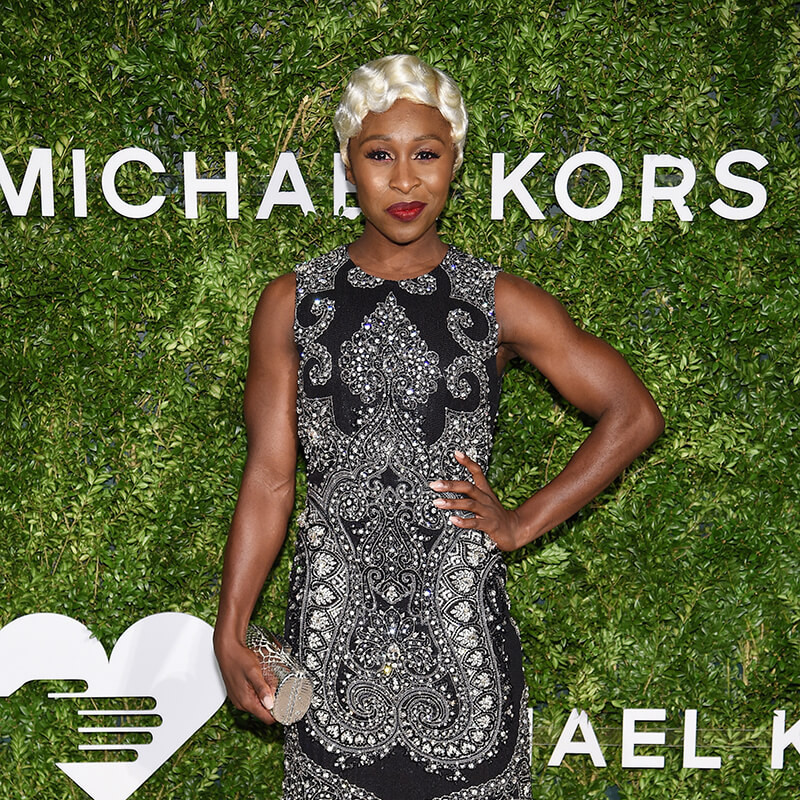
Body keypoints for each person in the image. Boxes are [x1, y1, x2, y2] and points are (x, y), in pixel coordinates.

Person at [213, 54, 664, 800]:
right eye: (379, 155)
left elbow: (633, 413)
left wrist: (521, 522)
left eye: (426, 154)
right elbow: (269, 476)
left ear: (454, 162)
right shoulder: (292, 302)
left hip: (466, 655)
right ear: (348, 166)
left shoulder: (498, 300)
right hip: (329, 648)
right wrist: (230, 628)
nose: (405, 180)